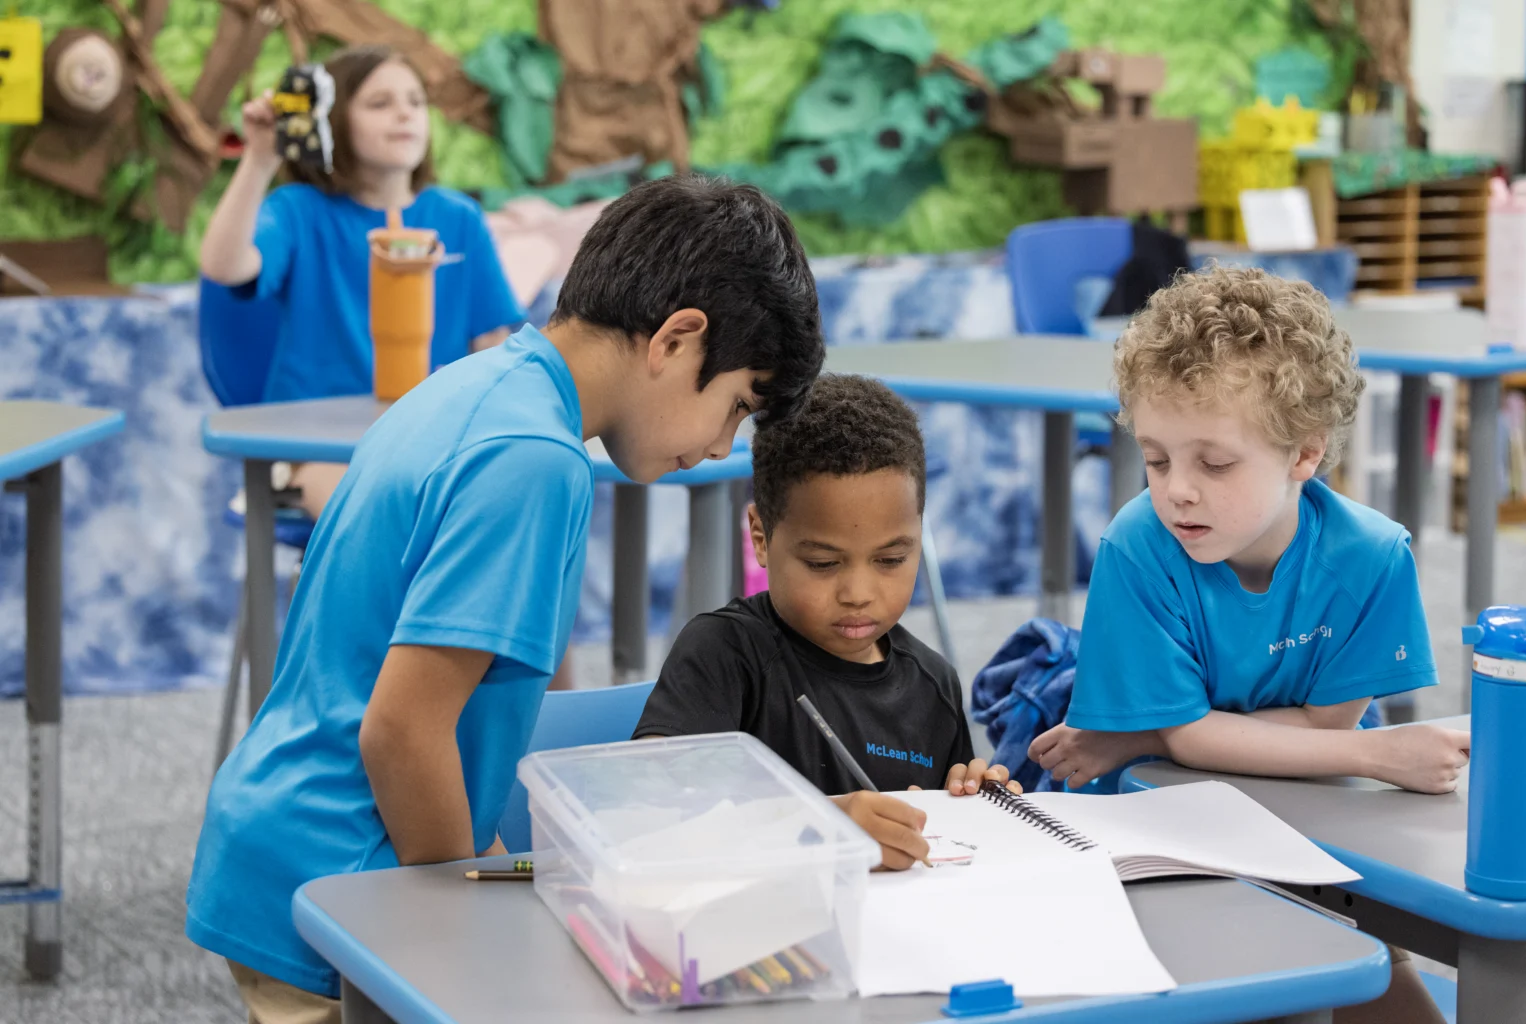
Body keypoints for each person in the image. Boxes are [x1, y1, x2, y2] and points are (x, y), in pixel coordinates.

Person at [185, 174, 825, 1024]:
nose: (718, 446)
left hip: (299, 840)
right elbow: (402, 733)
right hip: (346, 875)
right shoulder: (534, 459)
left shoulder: (482, 384)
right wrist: (474, 929)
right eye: (736, 406)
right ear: (676, 338)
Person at [1028, 267, 1466, 1024]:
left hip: (1314, 807)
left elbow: (1306, 724)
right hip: (1156, 828)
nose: (1176, 491)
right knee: (1240, 979)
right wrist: (1373, 754)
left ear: (1303, 454)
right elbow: (1218, 738)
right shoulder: (1136, 546)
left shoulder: (1371, 556)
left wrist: (1145, 735)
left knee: (1371, 965)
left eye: (1214, 463)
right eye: (1156, 458)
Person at [634, 374, 1019, 872]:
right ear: (761, 537)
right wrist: (821, 822)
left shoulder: (935, 684)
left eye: (891, 560)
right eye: (822, 563)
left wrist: (969, 800)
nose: (858, 594)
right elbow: (649, 811)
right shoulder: (724, 654)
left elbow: (936, 843)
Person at [199, 45, 523, 520]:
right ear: (332, 122)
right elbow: (224, 266)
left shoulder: (458, 219)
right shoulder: (299, 211)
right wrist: (260, 161)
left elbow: (494, 349)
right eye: (379, 103)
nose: (404, 114)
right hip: (315, 451)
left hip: (430, 446)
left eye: (415, 101)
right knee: (381, 522)